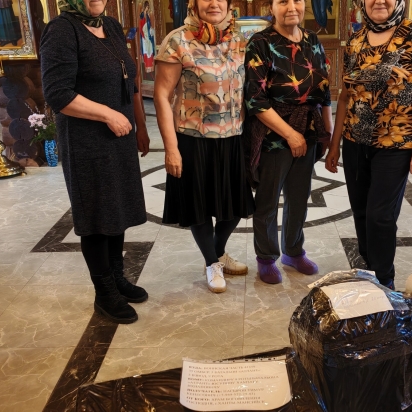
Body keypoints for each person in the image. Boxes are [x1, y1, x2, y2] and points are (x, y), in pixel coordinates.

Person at [40, 0, 151, 323]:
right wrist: (107, 114)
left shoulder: (110, 25)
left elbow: (129, 80)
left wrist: (140, 125)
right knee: (96, 214)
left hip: (120, 136)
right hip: (86, 141)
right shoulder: (62, 30)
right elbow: (58, 94)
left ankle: (116, 277)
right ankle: (104, 293)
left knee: (116, 209)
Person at [324, 0, 412, 289]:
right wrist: (335, 144)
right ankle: (369, 270)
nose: (379, 1)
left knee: (380, 216)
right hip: (355, 141)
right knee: (361, 211)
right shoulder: (355, 39)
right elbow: (345, 96)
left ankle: (384, 281)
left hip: (396, 143)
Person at [154, 0, 254, 293]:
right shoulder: (177, 41)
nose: (214, 3)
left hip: (232, 137)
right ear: (194, 4)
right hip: (193, 139)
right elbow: (162, 96)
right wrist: (171, 148)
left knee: (234, 207)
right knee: (199, 207)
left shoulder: (238, 40)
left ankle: (218, 251)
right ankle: (212, 262)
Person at [244, 0, 333, 284]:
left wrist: (327, 131)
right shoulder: (260, 43)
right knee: (268, 200)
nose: (291, 7)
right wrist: (290, 135)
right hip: (273, 135)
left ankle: (293, 251)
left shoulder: (312, 40)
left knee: (299, 197)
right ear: (271, 7)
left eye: (297, 0)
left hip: (308, 129)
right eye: (283, 1)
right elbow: (255, 100)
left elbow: (324, 91)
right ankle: (266, 257)